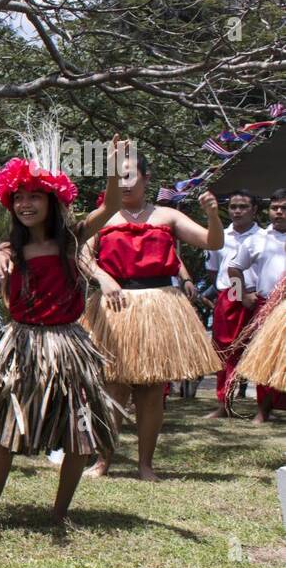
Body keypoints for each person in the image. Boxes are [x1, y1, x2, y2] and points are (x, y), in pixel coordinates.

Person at [0, 131, 125, 536]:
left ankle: (59, 512)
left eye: (35, 196)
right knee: (6, 432)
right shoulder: (9, 249)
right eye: (18, 198)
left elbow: (112, 206)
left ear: (52, 201)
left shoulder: (70, 241)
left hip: (68, 345)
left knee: (78, 433)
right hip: (22, 344)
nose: (26, 204)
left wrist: (111, 170)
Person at [81, 152, 223, 481]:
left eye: (132, 175)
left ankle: (146, 464)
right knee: (112, 387)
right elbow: (82, 256)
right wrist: (102, 277)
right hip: (114, 306)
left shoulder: (167, 215)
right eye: (120, 177)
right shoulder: (103, 217)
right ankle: (103, 461)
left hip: (159, 304)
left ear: (146, 179)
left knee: (151, 390)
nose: (126, 182)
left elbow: (212, 241)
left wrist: (213, 216)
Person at [204, 190, 262, 418]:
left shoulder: (266, 236)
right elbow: (214, 272)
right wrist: (238, 295)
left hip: (259, 298)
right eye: (233, 206)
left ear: (255, 210)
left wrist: (248, 295)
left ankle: (265, 407)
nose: (237, 211)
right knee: (224, 352)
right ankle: (223, 403)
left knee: (262, 351)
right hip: (230, 298)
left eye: (243, 207)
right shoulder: (219, 236)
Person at [231, 188, 286, 422]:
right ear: (268, 210)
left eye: (284, 208)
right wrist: (240, 295)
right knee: (266, 359)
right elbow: (233, 268)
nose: (279, 213)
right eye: (275, 208)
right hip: (269, 307)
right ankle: (263, 411)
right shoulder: (258, 239)